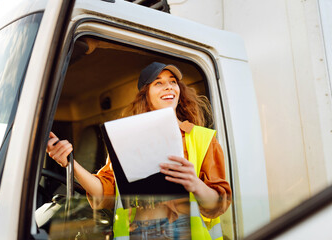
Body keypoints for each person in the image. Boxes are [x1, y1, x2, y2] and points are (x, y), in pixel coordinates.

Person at [47, 62, 232, 240]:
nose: (168, 87)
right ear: (146, 95)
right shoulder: (125, 140)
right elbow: (106, 193)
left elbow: (219, 204)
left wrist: (195, 184)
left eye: (173, 82)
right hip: (136, 231)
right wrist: (70, 163)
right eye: (158, 83)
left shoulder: (203, 138)